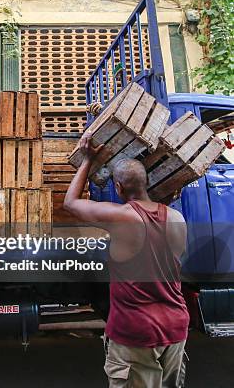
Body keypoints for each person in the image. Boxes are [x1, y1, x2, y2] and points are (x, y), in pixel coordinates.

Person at [63, 131, 189, 388]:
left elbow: (71, 203)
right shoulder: (176, 219)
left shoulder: (122, 219)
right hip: (175, 328)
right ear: (146, 184)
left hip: (136, 332)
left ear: (118, 188)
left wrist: (87, 159)